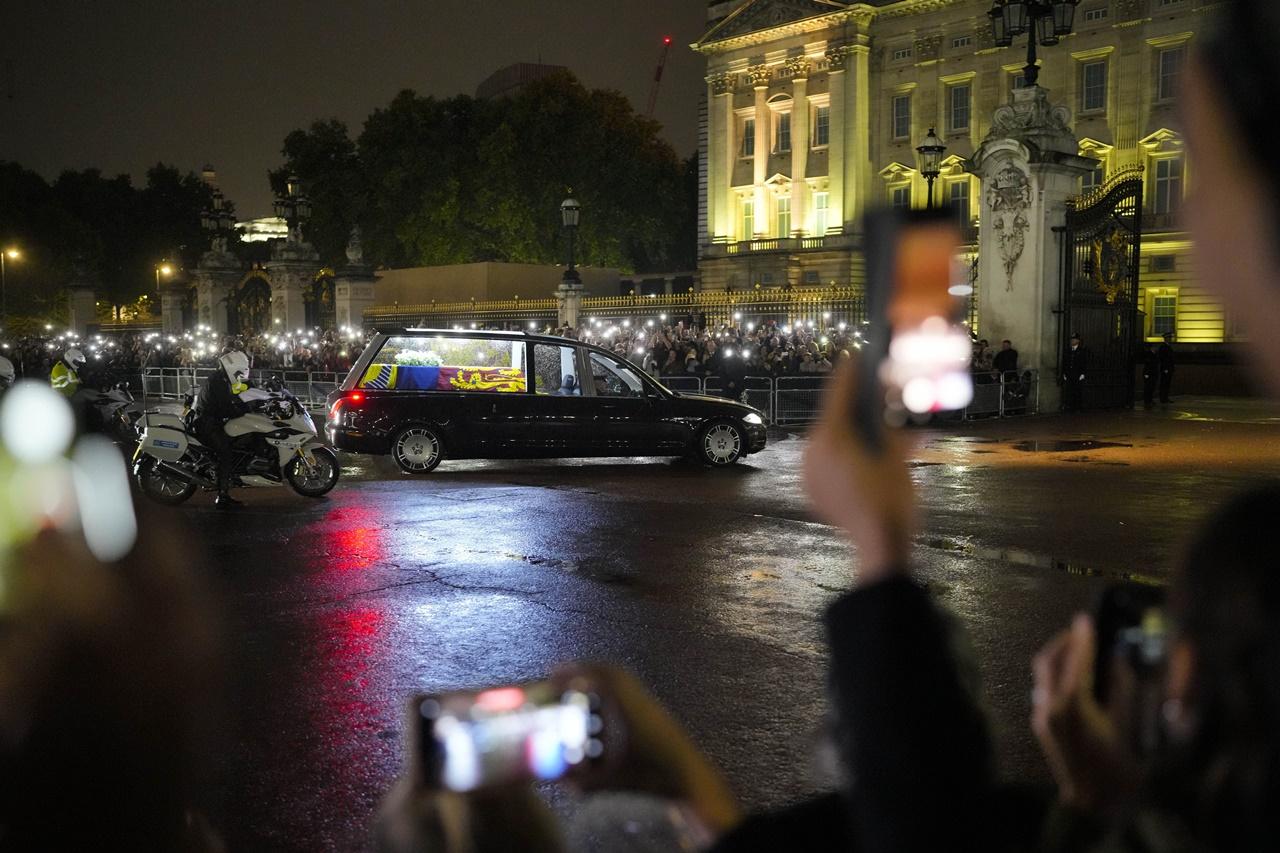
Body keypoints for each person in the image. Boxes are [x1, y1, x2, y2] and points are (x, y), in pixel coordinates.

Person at [193, 350, 251, 508]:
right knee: (225, 453)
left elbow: (240, 388)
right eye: (239, 371)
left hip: (210, 420)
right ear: (233, 368)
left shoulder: (221, 378)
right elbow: (225, 407)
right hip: (207, 423)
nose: (240, 374)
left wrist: (256, 393)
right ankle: (222, 495)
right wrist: (243, 411)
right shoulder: (218, 382)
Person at [1062, 333, 1087, 412]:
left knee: (1077, 391)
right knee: (1069, 391)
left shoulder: (1082, 351)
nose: (1072, 341)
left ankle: (1077, 407)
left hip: (1077, 375)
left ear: (1078, 341)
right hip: (1069, 374)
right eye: (1072, 339)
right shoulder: (1068, 350)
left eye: (1074, 339)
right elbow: (1065, 362)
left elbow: (1084, 363)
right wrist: (1064, 373)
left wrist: (1083, 374)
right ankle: (1070, 407)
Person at [1157, 333, 1176, 404]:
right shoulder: (1163, 347)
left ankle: (1165, 397)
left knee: (1167, 383)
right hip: (1166, 368)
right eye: (1169, 338)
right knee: (1164, 383)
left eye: (1170, 338)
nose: (1170, 339)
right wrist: (1165, 369)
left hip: (1168, 368)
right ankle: (1163, 398)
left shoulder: (1168, 346)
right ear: (1166, 339)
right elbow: (1163, 359)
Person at [1141, 343, 1158, 408]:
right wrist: (1146, 374)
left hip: (1153, 373)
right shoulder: (1149, 354)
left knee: (1151, 387)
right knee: (1148, 388)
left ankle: (1150, 400)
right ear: (1151, 348)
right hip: (1149, 374)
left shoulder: (1154, 354)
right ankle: (1147, 401)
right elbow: (1148, 365)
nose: (1156, 348)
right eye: (1155, 347)